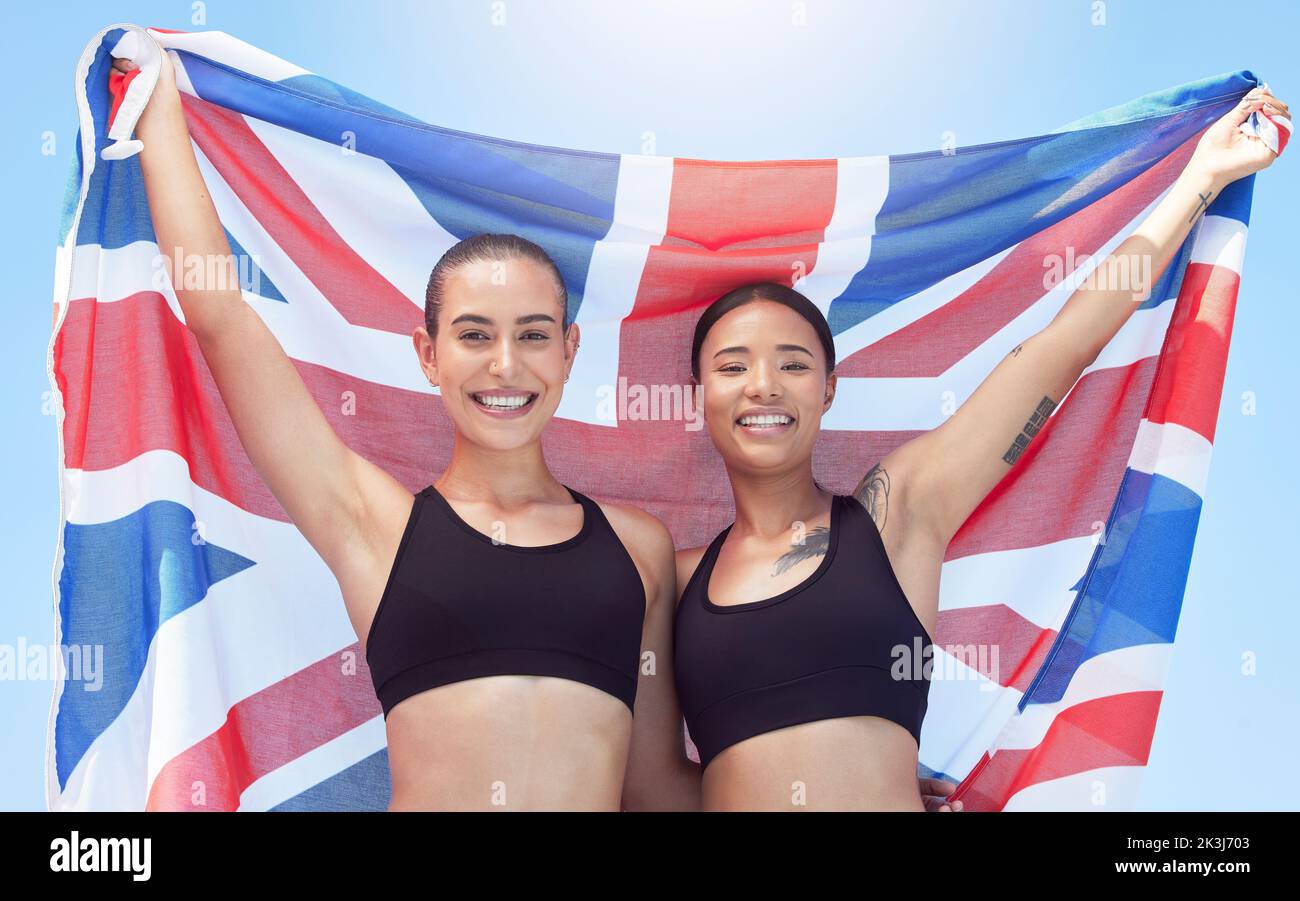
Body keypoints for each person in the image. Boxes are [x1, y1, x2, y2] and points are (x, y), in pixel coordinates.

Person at [652, 85, 1289, 811]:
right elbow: (651, 780)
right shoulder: (665, 582)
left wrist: (1200, 181)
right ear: (699, 394)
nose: (763, 386)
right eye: (732, 367)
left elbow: (1058, 351)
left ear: (828, 390)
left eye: (793, 364)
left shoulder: (898, 513)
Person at [118, 50, 681, 811]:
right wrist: (161, 107)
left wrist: (872, 786)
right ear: (427, 354)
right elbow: (221, 318)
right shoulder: (372, 524)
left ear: (570, 349)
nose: (505, 366)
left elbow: (656, 787)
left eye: (535, 335)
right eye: (474, 335)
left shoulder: (639, 551)